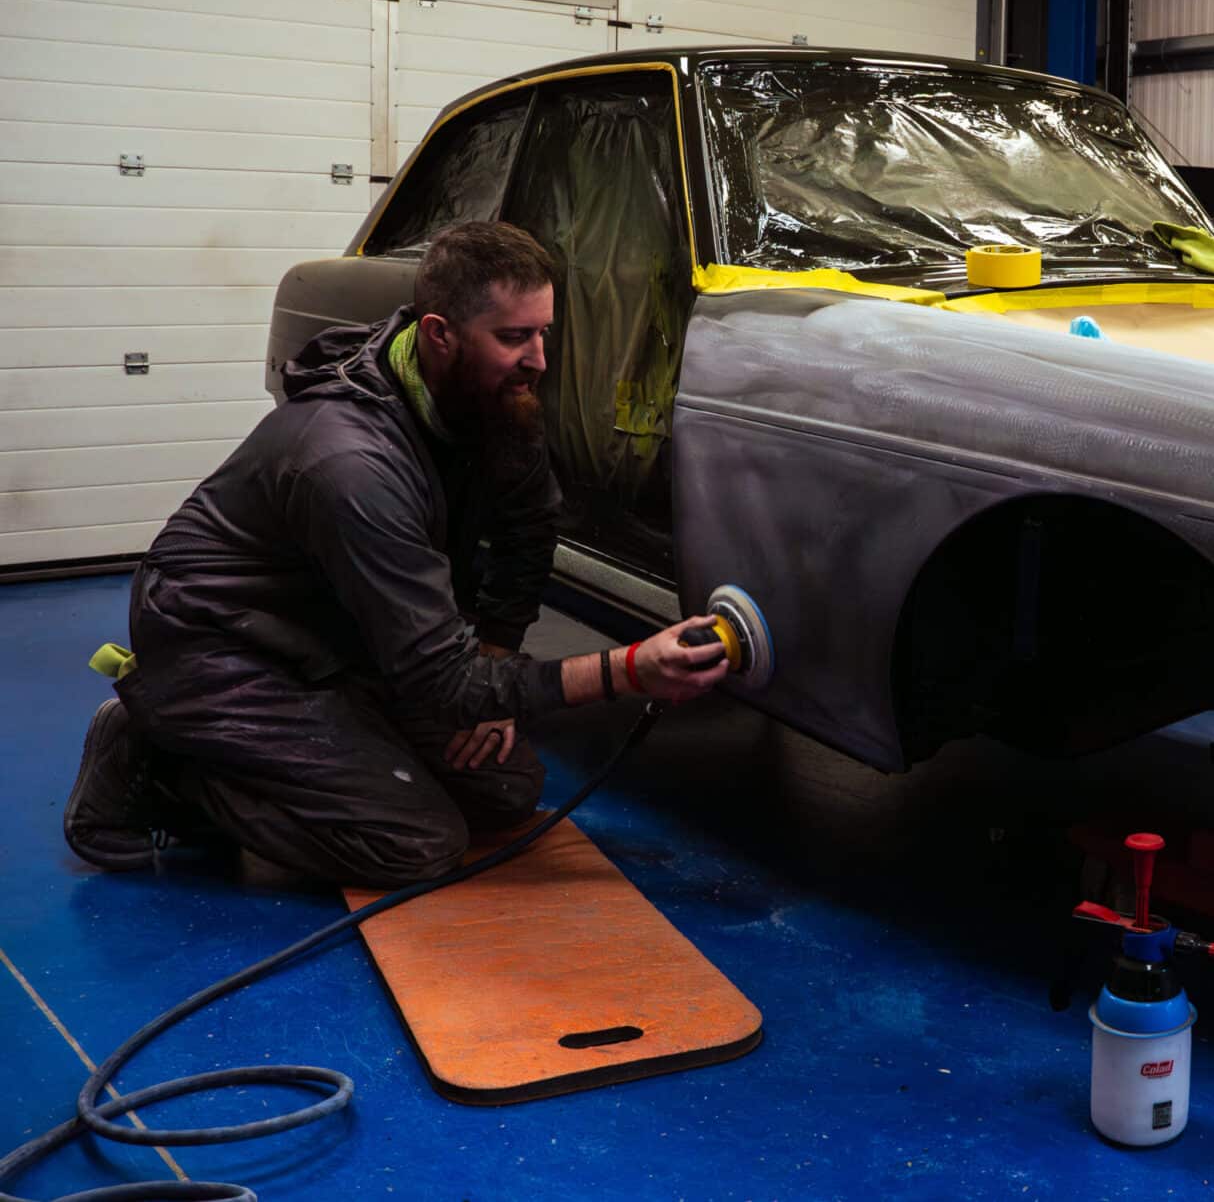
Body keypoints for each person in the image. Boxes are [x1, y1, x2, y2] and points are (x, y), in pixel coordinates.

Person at [62, 220, 727, 888]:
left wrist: (496, 661)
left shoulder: (489, 397)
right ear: (439, 334)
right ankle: (161, 762)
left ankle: (304, 740)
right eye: (513, 336)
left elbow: (528, 528)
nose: (539, 359)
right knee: (413, 843)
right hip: (219, 643)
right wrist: (631, 669)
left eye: (542, 333)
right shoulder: (350, 461)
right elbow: (444, 681)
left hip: (335, 628)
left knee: (504, 790)